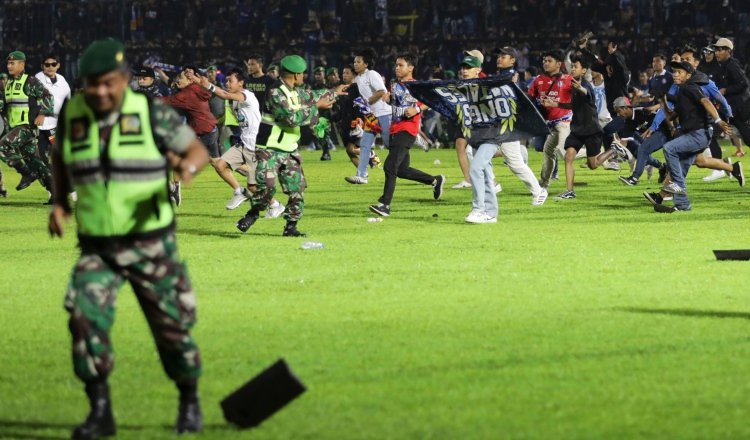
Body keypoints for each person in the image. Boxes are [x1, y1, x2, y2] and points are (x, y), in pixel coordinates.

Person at [48, 39, 210, 438]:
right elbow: (61, 158)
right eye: (92, 84)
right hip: (97, 246)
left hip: (150, 243)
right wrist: (59, 203)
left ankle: (188, 400)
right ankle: (100, 410)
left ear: (123, 80)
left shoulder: (150, 112)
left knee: (172, 329)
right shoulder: (75, 114)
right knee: (84, 318)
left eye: (108, 83)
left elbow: (195, 150)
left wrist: (185, 167)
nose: (100, 92)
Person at [235, 54, 347, 236]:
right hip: (269, 150)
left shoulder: (295, 92)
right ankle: (253, 213)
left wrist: (336, 91)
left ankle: (291, 227)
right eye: (302, 74)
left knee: (297, 190)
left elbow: (313, 95)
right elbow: (291, 119)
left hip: (290, 151)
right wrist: (317, 107)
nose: (304, 77)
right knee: (267, 188)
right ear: (295, 75)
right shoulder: (275, 92)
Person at [368, 53, 444, 217]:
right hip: (395, 128)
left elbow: (432, 101)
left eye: (400, 65)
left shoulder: (417, 85)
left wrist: (416, 109)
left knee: (390, 166)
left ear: (411, 68)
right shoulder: (395, 84)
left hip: (408, 129)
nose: (397, 68)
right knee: (401, 170)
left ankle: (384, 205)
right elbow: (394, 102)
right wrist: (387, 99)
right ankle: (435, 180)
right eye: (396, 65)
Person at [653, 60, 731, 213]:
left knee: (669, 148)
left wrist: (718, 120)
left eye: (679, 72)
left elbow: (705, 101)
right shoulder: (682, 93)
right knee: (681, 167)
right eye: (674, 71)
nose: (675, 74)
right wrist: (663, 101)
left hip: (700, 133)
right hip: (695, 134)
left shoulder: (690, 87)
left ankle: (679, 186)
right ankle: (683, 205)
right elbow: (671, 117)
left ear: (688, 75)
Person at [0, 50, 55, 198]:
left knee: (2, 146)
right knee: (36, 164)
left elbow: (48, 96)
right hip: (15, 129)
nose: (9, 66)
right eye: (8, 63)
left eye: (12, 63)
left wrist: (43, 113)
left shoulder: (29, 81)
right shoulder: (8, 85)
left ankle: (26, 174)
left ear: (22, 64)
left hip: (26, 128)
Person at [161, 67, 218, 205]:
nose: (178, 81)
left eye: (180, 78)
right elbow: (207, 93)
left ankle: (175, 187)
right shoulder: (196, 88)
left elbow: (167, 101)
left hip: (202, 131)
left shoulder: (186, 94)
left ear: (189, 80)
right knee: (218, 163)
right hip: (211, 129)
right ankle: (248, 176)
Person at [528, 49, 574, 190]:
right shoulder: (538, 80)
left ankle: (596, 153)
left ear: (559, 64)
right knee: (548, 151)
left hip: (564, 121)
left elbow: (577, 102)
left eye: (549, 61)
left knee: (562, 150)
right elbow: (530, 98)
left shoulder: (567, 80)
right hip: (551, 124)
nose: (545, 63)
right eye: (544, 61)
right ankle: (543, 183)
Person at [345, 48, 391, 184]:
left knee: (391, 145)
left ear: (366, 64)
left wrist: (367, 101)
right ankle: (362, 175)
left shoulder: (372, 74)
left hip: (383, 114)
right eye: (354, 62)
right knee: (365, 145)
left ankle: (402, 168)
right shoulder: (359, 78)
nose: (355, 64)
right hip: (371, 116)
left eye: (358, 62)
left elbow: (382, 91)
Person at [35, 53, 71, 202]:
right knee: (39, 159)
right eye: (47, 64)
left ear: (58, 65)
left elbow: (67, 100)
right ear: (42, 66)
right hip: (40, 126)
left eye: (53, 64)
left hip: (56, 126)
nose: (50, 67)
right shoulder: (37, 79)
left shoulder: (62, 80)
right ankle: (53, 189)